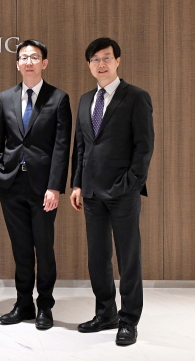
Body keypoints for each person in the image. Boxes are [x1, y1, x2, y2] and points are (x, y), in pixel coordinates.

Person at [70, 37, 154, 346]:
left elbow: (144, 148)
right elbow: (81, 147)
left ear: (118, 61)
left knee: (128, 258)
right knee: (98, 257)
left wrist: (130, 183)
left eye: (106, 58)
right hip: (91, 194)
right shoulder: (84, 100)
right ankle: (106, 313)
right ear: (89, 65)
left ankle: (129, 320)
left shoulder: (136, 97)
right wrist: (77, 183)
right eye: (95, 60)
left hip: (123, 193)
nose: (101, 64)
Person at [0, 39, 73, 330]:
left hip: (43, 188)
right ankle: (23, 303)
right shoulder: (5, 98)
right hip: (11, 185)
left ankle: (44, 306)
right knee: (21, 248)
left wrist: (55, 187)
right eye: (24, 57)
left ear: (44, 63)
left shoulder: (59, 99)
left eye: (34, 57)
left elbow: (62, 148)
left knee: (44, 247)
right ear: (17, 64)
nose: (29, 61)